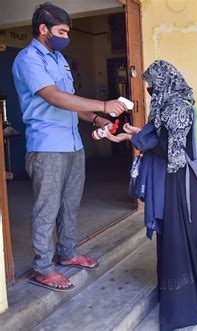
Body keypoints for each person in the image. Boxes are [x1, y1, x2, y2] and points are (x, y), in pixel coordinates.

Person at [12, 2, 128, 291]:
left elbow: (72, 104)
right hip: (47, 145)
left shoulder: (59, 59)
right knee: (46, 207)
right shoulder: (29, 60)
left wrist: (98, 117)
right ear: (43, 29)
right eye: (62, 30)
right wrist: (102, 103)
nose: (66, 36)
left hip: (73, 143)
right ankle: (43, 268)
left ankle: (68, 253)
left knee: (70, 203)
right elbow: (54, 97)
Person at [108, 60, 197, 330]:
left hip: (180, 185)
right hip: (174, 181)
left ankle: (183, 309)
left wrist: (136, 139)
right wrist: (137, 135)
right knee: (176, 239)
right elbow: (160, 137)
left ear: (167, 82)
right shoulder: (169, 105)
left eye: (153, 85)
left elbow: (173, 152)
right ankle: (190, 298)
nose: (151, 89)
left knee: (178, 240)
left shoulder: (178, 107)